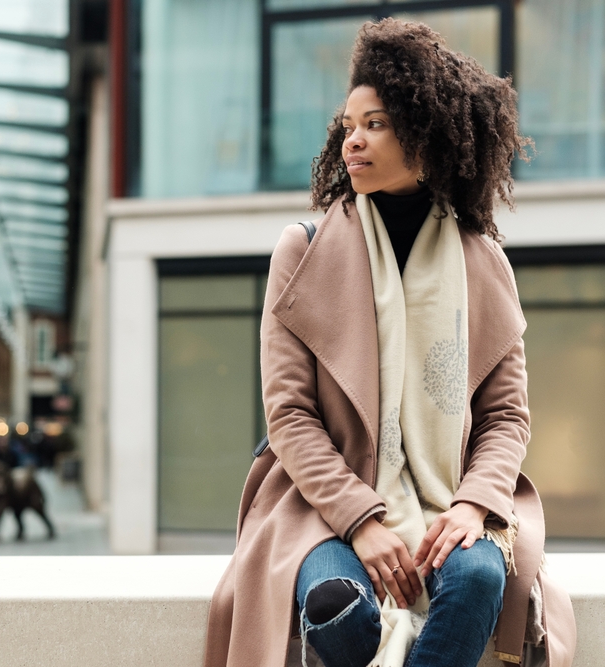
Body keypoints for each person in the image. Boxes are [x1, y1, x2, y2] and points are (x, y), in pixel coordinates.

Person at [204, 19, 577, 667]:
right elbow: (290, 416)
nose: (353, 138)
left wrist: (471, 505)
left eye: (374, 123)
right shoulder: (304, 250)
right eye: (347, 125)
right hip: (324, 503)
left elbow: (506, 416)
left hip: (451, 502)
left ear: (425, 135)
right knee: (335, 604)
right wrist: (364, 520)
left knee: (481, 580)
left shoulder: (483, 261)